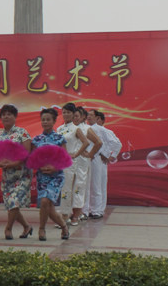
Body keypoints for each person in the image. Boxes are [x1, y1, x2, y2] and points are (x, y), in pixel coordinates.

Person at [0, 104, 33, 240]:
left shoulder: (22, 133)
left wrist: (13, 163)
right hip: (7, 176)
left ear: (15, 117)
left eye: (9, 114)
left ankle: (8, 228)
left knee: (14, 201)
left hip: (22, 175)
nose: (6, 117)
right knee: (11, 204)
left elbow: (26, 154)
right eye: (4, 114)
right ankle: (27, 226)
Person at [31, 108, 69, 241]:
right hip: (42, 177)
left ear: (54, 121)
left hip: (56, 177)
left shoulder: (60, 139)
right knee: (48, 206)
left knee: (45, 201)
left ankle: (41, 229)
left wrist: (54, 167)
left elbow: (65, 159)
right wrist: (39, 166)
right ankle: (64, 226)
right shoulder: (36, 140)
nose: (45, 122)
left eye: (48, 120)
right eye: (43, 120)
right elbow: (32, 159)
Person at [56, 103, 90, 226]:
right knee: (62, 189)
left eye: (68, 112)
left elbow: (85, 143)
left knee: (69, 188)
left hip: (70, 163)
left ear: (73, 114)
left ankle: (67, 215)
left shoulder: (76, 129)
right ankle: (64, 215)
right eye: (64, 112)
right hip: (60, 162)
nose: (66, 114)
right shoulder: (59, 129)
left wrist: (75, 154)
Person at [86, 110, 122, 219]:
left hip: (97, 159)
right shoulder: (87, 129)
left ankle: (97, 210)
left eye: (91, 115)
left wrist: (107, 155)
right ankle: (96, 209)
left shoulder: (101, 129)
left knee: (96, 185)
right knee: (94, 184)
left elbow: (117, 143)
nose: (89, 117)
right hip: (90, 158)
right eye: (88, 115)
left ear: (98, 118)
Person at [69, 107, 102, 225]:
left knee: (79, 187)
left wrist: (90, 154)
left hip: (81, 163)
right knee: (68, 187)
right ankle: (67, 213)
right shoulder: (68, 128)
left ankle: (76, 215)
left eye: (77, 116)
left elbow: (98, 142)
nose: (74, 118)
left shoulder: (86, 129)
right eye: (73, 116)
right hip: (68, 162)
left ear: (83, 117)